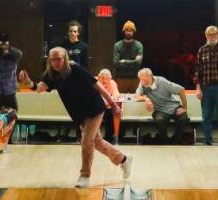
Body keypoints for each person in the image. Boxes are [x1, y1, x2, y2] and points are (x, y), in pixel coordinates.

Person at [20, 48, 132, 188]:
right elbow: (39, 88)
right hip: (80, 113)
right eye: (53, 60)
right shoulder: (51, 75)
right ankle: (124, 159)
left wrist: (113, 104)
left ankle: (85, 175)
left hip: (94, 108)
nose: (56, 62)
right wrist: (28, 82)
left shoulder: (76, 69)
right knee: (97, 142)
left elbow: (98, 86)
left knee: (86, 140)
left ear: (65, 58)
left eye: (59, 59)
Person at [135, 68, 189, 145]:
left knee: (184, 118)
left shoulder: (162, 82)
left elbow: (181, 90)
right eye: (141, 80)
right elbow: (137, 95)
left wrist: (184, 108)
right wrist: (146, 99)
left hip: (173, 106)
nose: (143, 82)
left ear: (151, 76)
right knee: (159, 120)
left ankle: (176, 141)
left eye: (145, 80)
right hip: (160, 110)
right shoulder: (143, 84)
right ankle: (166, 140)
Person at [113, 20, 143, 91]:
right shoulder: (117, 45)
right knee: (120, 100)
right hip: (120, 78)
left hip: (135, 78)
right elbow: (116, 63)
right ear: (124, 31)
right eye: (127, 30)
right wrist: (133, 62)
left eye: (131, 30)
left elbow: (138, 63)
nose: (129, 32)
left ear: (134, 32)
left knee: (136, 100)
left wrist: (123, 61)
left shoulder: (138, 45)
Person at [98, 69, 121, 144]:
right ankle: (95, 138)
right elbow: (94, 97)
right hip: (96, 107)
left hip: (107, 107)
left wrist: (107, 101)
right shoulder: (95, 82)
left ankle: (108, 139)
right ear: (99, 77)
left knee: (112, 115)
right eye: (103, 78)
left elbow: (116, 95)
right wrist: (107, 101)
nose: (105, 81)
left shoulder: (112, 83)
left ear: (110, 78)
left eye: (107, 79)